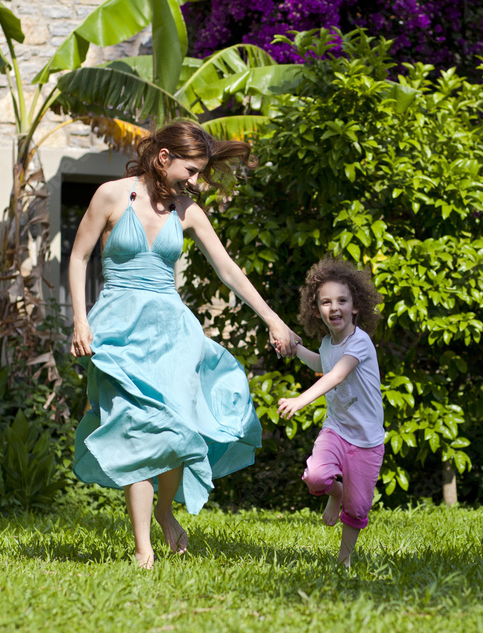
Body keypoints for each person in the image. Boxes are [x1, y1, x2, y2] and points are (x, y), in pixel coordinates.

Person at [69, 119, 299, 569]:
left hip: (171, 332)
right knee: (136, 428)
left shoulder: (187, 210)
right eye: (190, 171)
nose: (195, 181)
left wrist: (274, 319)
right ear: (163, 158)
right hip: (117, 330)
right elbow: (78, 257)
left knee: (177, 428)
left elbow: (228, 270)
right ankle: (143, 551)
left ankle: (165, 508)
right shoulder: (112, 196)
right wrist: (80, 320)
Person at [277, 257, 385, 567]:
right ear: (317, 310)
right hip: (336, 430)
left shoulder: (360, 343)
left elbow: (336, 375)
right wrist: (296, 349)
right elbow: (322, 364)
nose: (334, 307)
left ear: (355, 307)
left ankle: (344, 560)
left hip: (366, 440)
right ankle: (334, 492)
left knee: (359, 506)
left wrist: (301, 400)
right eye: (326, 302)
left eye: (341, 300)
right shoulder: (327, 343)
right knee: (316, 476)